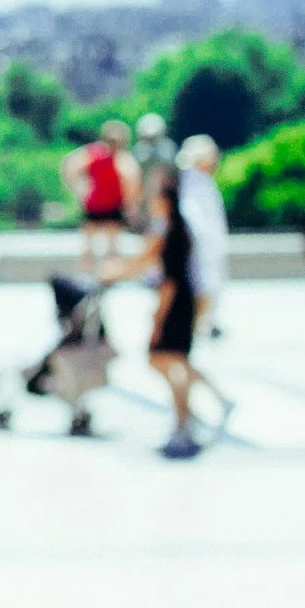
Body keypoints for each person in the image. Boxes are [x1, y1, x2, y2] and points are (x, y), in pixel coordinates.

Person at [112, 169, 233, 460]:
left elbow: (168, 279)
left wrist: (158, 319)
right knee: (174, 360)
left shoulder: (169, 230)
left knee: (165, 359)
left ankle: (184, 420)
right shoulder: (176, 227)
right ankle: (201, 409)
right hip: (187, 301)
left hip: (177, 304)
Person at [61, 120, 137, 278]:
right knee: (97, 246)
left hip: (105, 205)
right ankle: (92, 276)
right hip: (100, 205)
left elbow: (131, 182)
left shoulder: (102, 155)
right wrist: (79, 189)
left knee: (105, 246)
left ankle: (103, 276)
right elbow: (131, 181)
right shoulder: (103, 155)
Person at [174, 135, 229, 337]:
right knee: (202, 290)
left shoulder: (202, 181)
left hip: (208, 249)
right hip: (201, 251)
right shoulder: (192, 182)